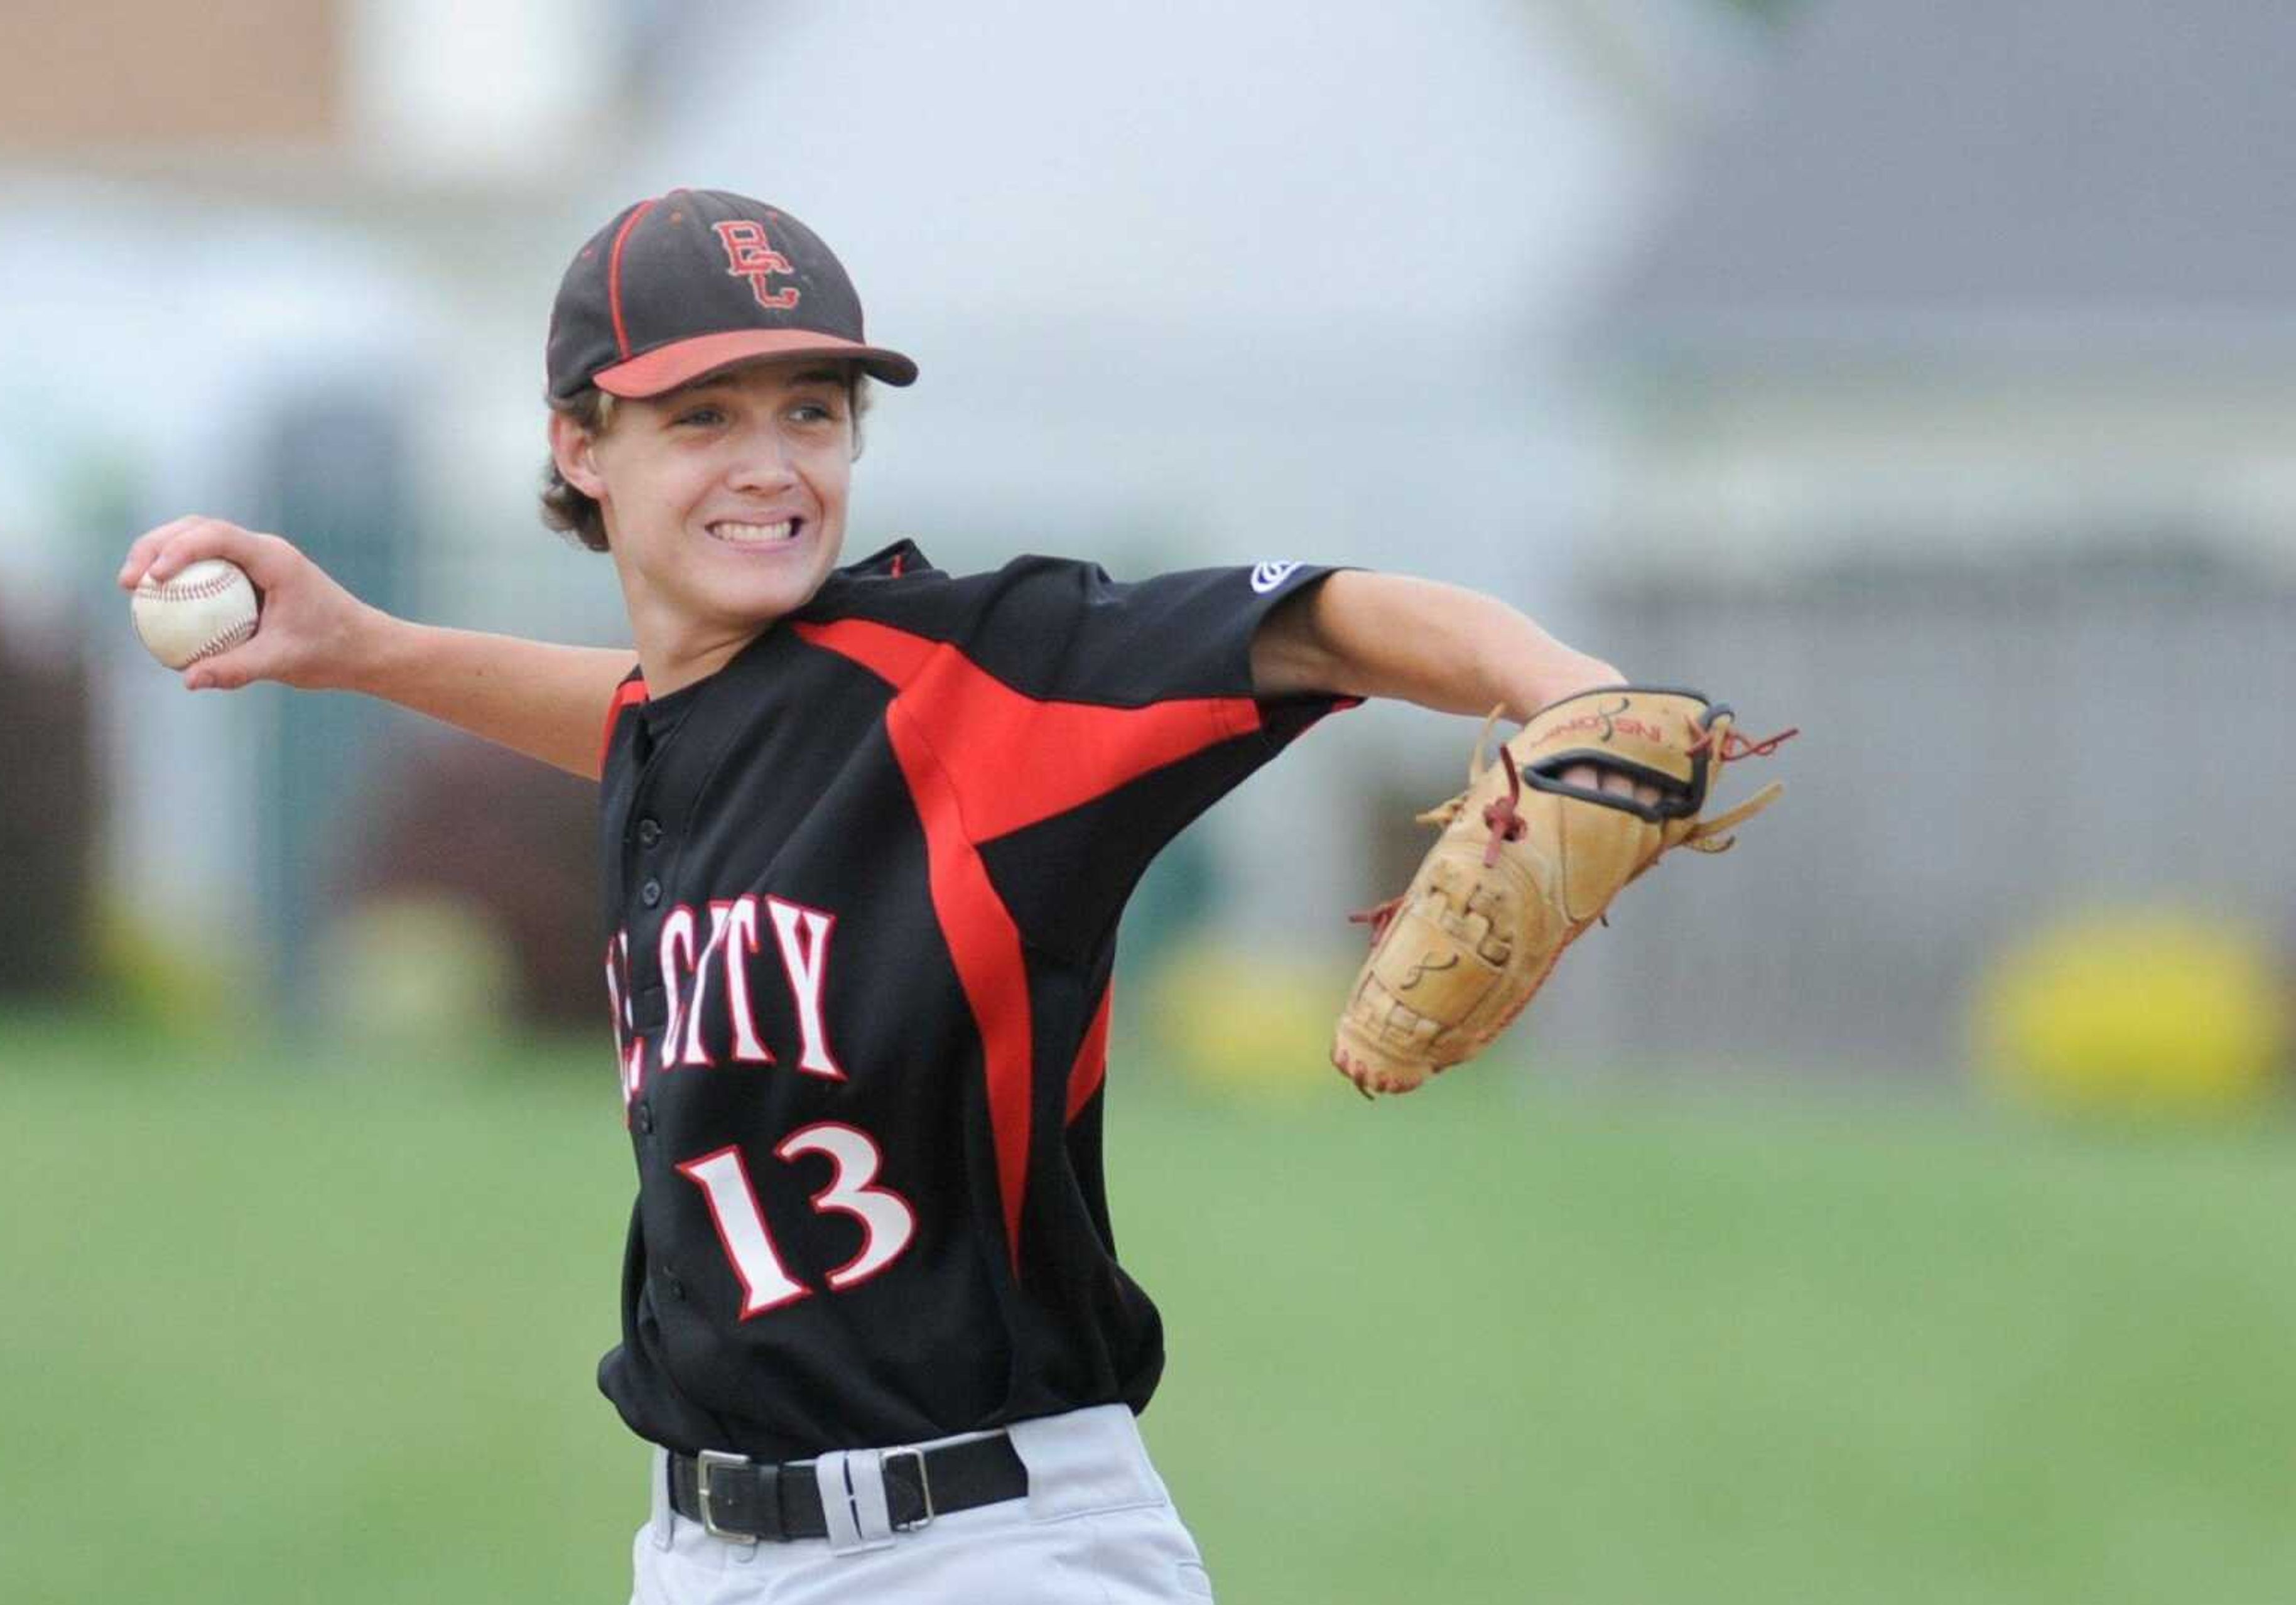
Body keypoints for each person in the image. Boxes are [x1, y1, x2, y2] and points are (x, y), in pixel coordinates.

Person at [117, 188, 1654, 1602]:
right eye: (703, 414)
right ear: (583, 447)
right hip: (703, 1555)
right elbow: (638, 710)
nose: (773, 461)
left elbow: (1332, 622)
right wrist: (358, 646)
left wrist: (1576, 694)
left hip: (985, 1548)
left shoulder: (980, 680)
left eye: (813, 410)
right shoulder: (687, 726)